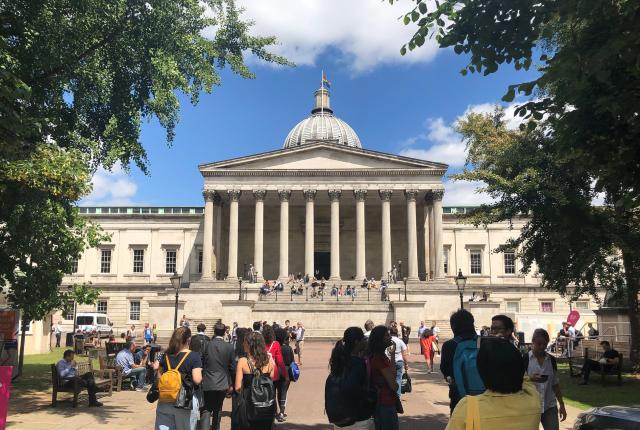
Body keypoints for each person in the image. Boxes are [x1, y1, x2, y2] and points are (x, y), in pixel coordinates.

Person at [445, 337, 541, 430]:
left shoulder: (468, 408)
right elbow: (524, 376)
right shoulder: (533, 400)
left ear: (482, 372)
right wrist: (508, 352)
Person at [154, 326, 203, 430]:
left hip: (165, 400)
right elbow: (197, 379)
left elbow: (159, 377)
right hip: (184, 401)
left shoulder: (166, 355)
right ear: (189, 339)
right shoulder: (194, 356)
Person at [328, 327, 372, 429]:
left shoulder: (339, 359)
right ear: (357, 342)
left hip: (339, 416)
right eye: (363, 339)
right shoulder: (358, 363)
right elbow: (352, 387)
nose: (365, 341)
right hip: (357, 418)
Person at [526, 328, 567, 430]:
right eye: (539, 343)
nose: (542, 347)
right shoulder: (525, 359)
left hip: (549, 406)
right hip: (530, 407)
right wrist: (530, 379)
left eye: (545, 344)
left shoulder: (551, 360)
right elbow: (517, 381)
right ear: (533, 341)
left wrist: (561, 404)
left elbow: (555, 384)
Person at [234, 332, 276, 429]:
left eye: (245, 342)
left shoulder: (242, 361)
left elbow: (238, 387)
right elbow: (272, 378)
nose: (243, 344)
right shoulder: (269, 359)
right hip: (267, 403)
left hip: (249, 403)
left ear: (249, 344)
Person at [440, 309, 477, 413]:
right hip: (484, 395)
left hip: (459, 395)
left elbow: (445, 370)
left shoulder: (450, 345)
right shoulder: (484, 343)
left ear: (453, 326)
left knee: (460, 420)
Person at [201, 323, 234, 430]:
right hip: (222, 382)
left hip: (208, 380)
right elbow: (232, 367)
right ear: (224, 332)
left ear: (214, 332)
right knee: (218, 408)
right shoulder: (229, 346)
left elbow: (202, 362)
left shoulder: (206, 344)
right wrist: (231, 384)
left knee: (206, 408)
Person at [369, 325, 399, 430]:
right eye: (387, 335)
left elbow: (393, 373)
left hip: (385, 401)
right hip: (385, 402)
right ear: (380, 339)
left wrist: (393, 354)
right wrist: (395, 384)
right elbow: (394, 385)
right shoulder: (379, 359)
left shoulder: (381, 356)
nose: (390, 337)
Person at [275, 327, 294, 423]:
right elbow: (291, 361)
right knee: (283, 392)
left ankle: (275, 411)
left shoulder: (275, 347)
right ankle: (282, 412)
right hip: (286, 371)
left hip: (276, 371)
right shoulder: (288, 348)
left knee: (277, 392)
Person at [387, 326, 408, 398]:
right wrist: (406, 364)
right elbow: (404, 354)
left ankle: (390, 395)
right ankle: (397, 396)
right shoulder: (400, 341)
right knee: (398, 379)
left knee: (389, 379)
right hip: (399, 361)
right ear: (397, 333)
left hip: (389, 362)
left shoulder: (388, 340)